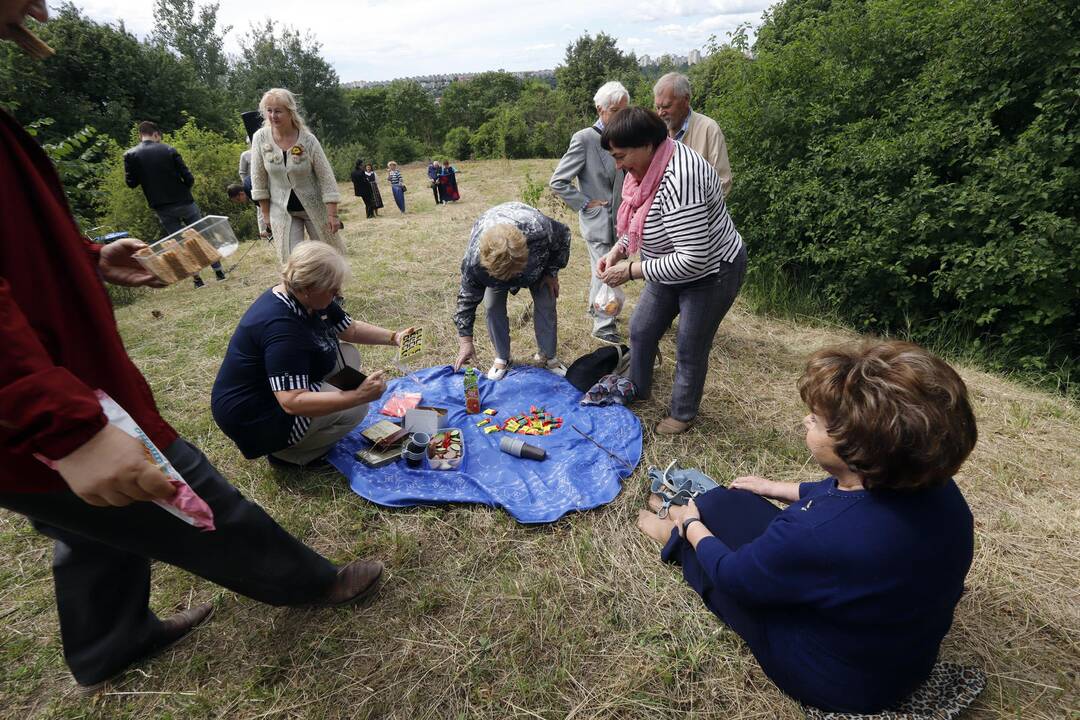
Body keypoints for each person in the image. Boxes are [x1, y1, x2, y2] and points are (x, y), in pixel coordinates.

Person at [0, 4, 383, 694]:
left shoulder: (303, 303)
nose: (43, 9)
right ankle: (311, 582)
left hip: (52, 385)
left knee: (91, 522)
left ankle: (107, 643)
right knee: (185, 492)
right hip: (49, 399)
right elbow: (293, 392)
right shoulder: (285, 321)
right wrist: (66, 425)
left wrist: (84, 256)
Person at [636, 341, 978, 714]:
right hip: (902, 659)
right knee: (723, 500)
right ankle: (692, 516)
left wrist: (690, 527)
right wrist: (774, 488)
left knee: (718, 567)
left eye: (816, 419)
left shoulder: (817, 530)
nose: (805, 421)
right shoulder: (931, 485)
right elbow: (845, 494)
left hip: (834, 678)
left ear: (857, 447)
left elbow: (734, 577)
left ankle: (671, 535)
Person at [598, 107, 746, 435]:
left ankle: (683, 414)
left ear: (649, 144)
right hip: (667, 264)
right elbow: (640, 218)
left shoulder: (681, 179)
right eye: (614, 157)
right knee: (641, 328)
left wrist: (633, 270)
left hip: (711, 272)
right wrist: (618, 248)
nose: (619, 167)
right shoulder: (647, 170)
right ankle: (637, 386)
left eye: (622, 157)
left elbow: (693, 258)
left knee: (690, 345)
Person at [212, 242, 412, 467]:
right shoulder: (282, 328)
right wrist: (356, 397)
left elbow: (351, 329)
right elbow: (292, 402)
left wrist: (394, 337)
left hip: (271, 392)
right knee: (356, 409)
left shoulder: (307, 298)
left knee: (347, 355)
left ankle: (309, 424)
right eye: (333, 289)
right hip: (256, 415)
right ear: (308, 288)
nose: (338, 293)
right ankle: (289, 454)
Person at [452, 202, 572, 380]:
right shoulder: (474, 262)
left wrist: (551, 272)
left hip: (535, 264)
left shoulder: (539, 230)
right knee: (492, 305)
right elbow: (466, 302)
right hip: (495, 259)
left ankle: (548, 356)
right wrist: (466, 342)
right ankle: (502, 357)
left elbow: (563, 237)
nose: (510, 280)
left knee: (546, 300)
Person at [550, 80, 629, 346]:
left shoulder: (625, 138)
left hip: (621, 220)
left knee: (605, 267)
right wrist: (585, 202)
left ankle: (597, 307)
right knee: (605, 268)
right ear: (600, 109)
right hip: (598, 222)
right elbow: (558, 181)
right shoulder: (585, 139)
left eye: (625, 111)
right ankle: (603, 323)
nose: (623, 117)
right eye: (617, 111)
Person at [123, 120, 225, 288]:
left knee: (179, 243)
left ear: (140, 135)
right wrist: (185, 190)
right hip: (184, 200)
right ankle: (219, 271)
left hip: (161, 206)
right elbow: (188, 177)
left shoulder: (130, 155)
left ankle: (197, 279)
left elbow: (131, 183)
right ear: (156, 134)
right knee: (202, 235)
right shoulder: (168, 149)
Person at [250, 88, 343, 262]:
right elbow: (258, 179)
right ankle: (300, 289)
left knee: (329, 256)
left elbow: (326, 178)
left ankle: (331, 287)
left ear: (290, 112)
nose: (273, 116)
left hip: (314, 207)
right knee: (292, 261)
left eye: (278, 111)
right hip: (281, 210)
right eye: (268, 111)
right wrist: (266, 215)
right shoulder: (260, 138)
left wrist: (333, 215)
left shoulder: (308, 140)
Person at [653, 72, 732, 197]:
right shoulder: (655, 134)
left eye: (666, 106)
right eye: (657, 107)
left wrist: (693, 209)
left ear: (686, 100)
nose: (660, 113)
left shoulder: (709, 129)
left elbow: (723, 182)